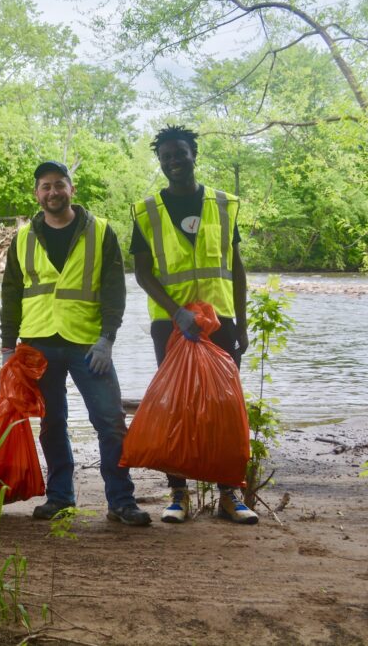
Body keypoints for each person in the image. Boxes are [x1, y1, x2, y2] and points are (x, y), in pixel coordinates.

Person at [0, 161, 151, 526]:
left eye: (59, 185)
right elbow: (11, 294)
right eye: (45, 187)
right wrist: (7, 347)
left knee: (110, 421)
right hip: (37, 344)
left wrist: (107, 340)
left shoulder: (100, 232)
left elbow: (115, 291)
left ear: (72, 189)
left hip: (88, 345)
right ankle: (60, 498)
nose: (53, 192)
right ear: (37, 194)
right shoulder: (22, 238)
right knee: (52, 424)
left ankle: (121, 501)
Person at [130, 124, 258, 525]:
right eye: (166, 156)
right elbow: (143, 273)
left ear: (194, 154)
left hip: (219, 321)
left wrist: (243, 320)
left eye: (180, 153)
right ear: (161, 162)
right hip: (171, 325)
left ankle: (229, 494)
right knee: (176, 405)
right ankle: (179, 493)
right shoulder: (146, 211)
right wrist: (175, 312)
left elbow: (235, 266)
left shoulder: (223, 204)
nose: (173, 162)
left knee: (223, 406)